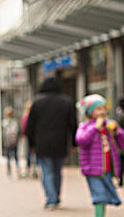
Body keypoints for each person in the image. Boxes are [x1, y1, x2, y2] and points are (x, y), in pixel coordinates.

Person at [26, 76, 77, 210]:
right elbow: (73, 125)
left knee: (47, 171)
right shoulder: (66, 102)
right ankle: (56, 197)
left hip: (41, 143)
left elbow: (30, 127)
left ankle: (51, 199)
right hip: (60, 142)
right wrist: (74, 143)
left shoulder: (37, 103)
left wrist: (31, 144)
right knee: (57, 171)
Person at [76, 94, 124, 217]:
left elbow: (122, 144)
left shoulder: (107, 126)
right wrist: (94, 128)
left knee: (104, 197)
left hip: (107, 169)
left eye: (104, 108)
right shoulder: (85, 127)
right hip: (93, 169)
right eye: (98, 109)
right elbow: (81, 140)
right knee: (99, 197)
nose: (102, 112)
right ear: (89, 112)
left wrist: (117, 131)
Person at [20, 101, 38, 179]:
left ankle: (28, 170)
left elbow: (23, 128)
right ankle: (34, 170)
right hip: (35, 137)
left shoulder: (25, 117)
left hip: (27, 137)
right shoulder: (35, 116)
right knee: (35, 154)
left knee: (28, 154)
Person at [2, 107, 19, 177]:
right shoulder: (14, 122)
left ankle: (9, 173)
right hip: (14, 141)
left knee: (8, 158)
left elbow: (3, 133)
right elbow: (17, 132)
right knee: (15, 157)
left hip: (7, 142)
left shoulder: (4, 122)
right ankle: (18, 171)